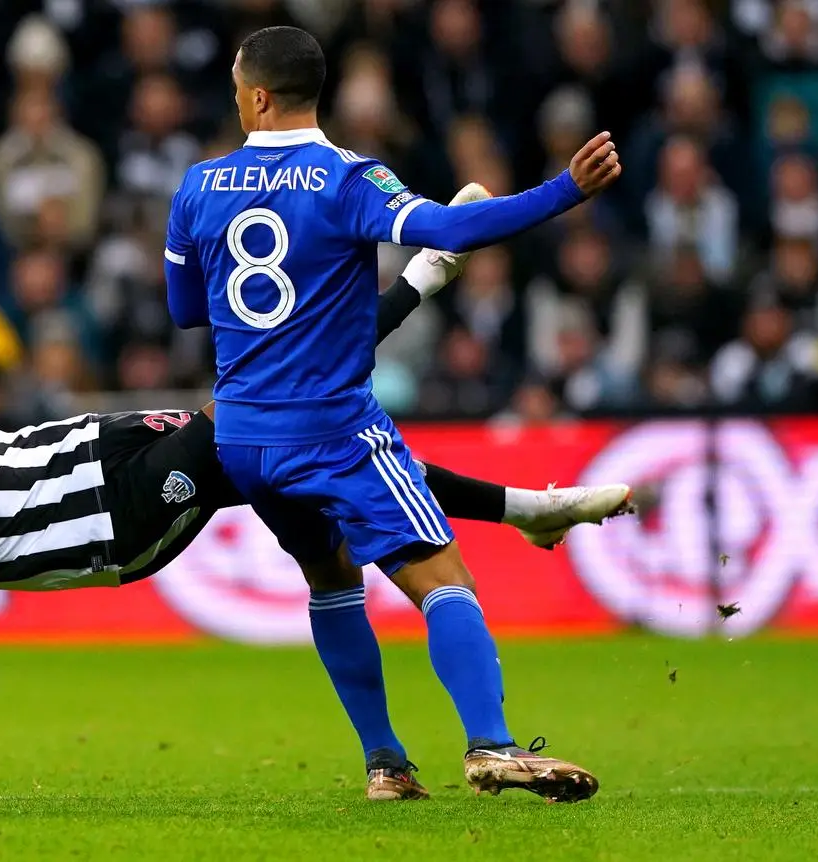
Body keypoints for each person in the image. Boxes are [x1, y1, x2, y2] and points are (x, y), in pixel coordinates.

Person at [0, 247, 630, 809]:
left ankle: (388, 762)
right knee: (282, 406)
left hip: (106, 443)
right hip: (115, 524)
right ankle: (450, 334)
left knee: (322, 532)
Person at [162, 27, 623, 803]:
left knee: (332, 578)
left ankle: (385, 765)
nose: (235, 95)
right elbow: (450, 227)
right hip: (334, 430)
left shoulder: (198, 185)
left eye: (238, 84)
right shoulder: (349, 179)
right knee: (447, 581)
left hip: (240, 436)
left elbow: (182, 310)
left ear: (259, 96)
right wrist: (563, 192)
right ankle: (492, 746)